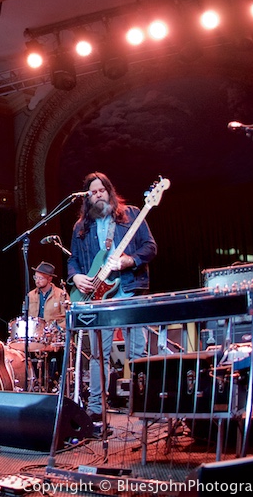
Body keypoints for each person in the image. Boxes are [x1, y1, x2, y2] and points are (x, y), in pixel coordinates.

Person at [67, 172, 157, 421]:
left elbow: (150, 247)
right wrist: (76, 277)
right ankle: (96, 408)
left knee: (138, 351)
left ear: (110, 191)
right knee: (98, 355)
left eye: (101, 190)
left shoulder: (132, 215)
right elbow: (73, 259)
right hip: (98, 295)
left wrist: (131, 260)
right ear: (87, 198)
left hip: (128, 289)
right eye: (92, 192)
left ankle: (146, 404)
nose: (97, 195)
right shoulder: (81, 227)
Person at [23, 261, 68, 391]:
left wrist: (57, 330)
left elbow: (68, 317)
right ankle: (34, 384)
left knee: (57, 358)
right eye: (35, 277)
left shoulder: (61, 294)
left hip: (54, 337)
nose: (37, 280)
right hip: (36, 336)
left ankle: (57, 385)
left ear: (49, 279)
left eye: (40, 278)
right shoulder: (30, 295)